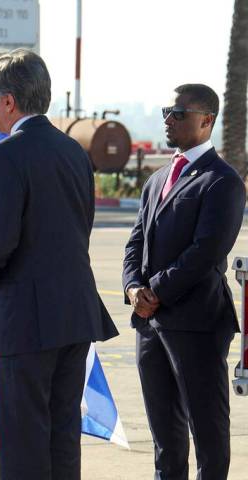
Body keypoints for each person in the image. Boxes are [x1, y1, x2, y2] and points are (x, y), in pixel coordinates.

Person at [0, 48, 118, 480]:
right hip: (74, 312)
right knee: (62, 435)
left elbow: (0, 241)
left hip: (26, 319)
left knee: (25, 439)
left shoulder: (8, 154)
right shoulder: (74, 151)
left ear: (9, 101)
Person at [123, 84, 245, 480]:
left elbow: (205, 252)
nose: (168, 119)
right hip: (151, 325)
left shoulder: (222, 181)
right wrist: (132, 288)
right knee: (166, 439)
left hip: (197, 324)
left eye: (178, 112)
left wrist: (154, 290)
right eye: (166, 111)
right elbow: (136, 241)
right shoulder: (157, 179)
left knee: (207, 435)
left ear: (206, 120)